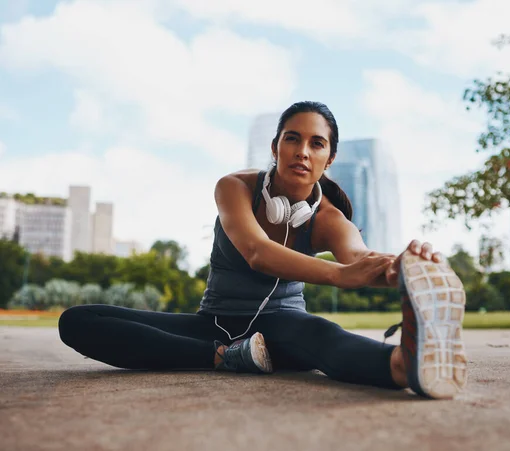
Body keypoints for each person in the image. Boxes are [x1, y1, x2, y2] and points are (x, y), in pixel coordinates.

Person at [59, 101, 467, 399]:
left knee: (322, 335)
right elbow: (256, 251)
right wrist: (339, 276)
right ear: (275, 148)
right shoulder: (234, 188)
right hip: (214, 324)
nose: (302, 151)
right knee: (79, 320)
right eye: (292, 139)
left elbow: (358, 256)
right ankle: (223, 357)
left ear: (330, 158)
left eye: (316, 143)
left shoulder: (327, 217)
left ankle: (403, 365)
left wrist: (400, 267)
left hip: (281, 329)